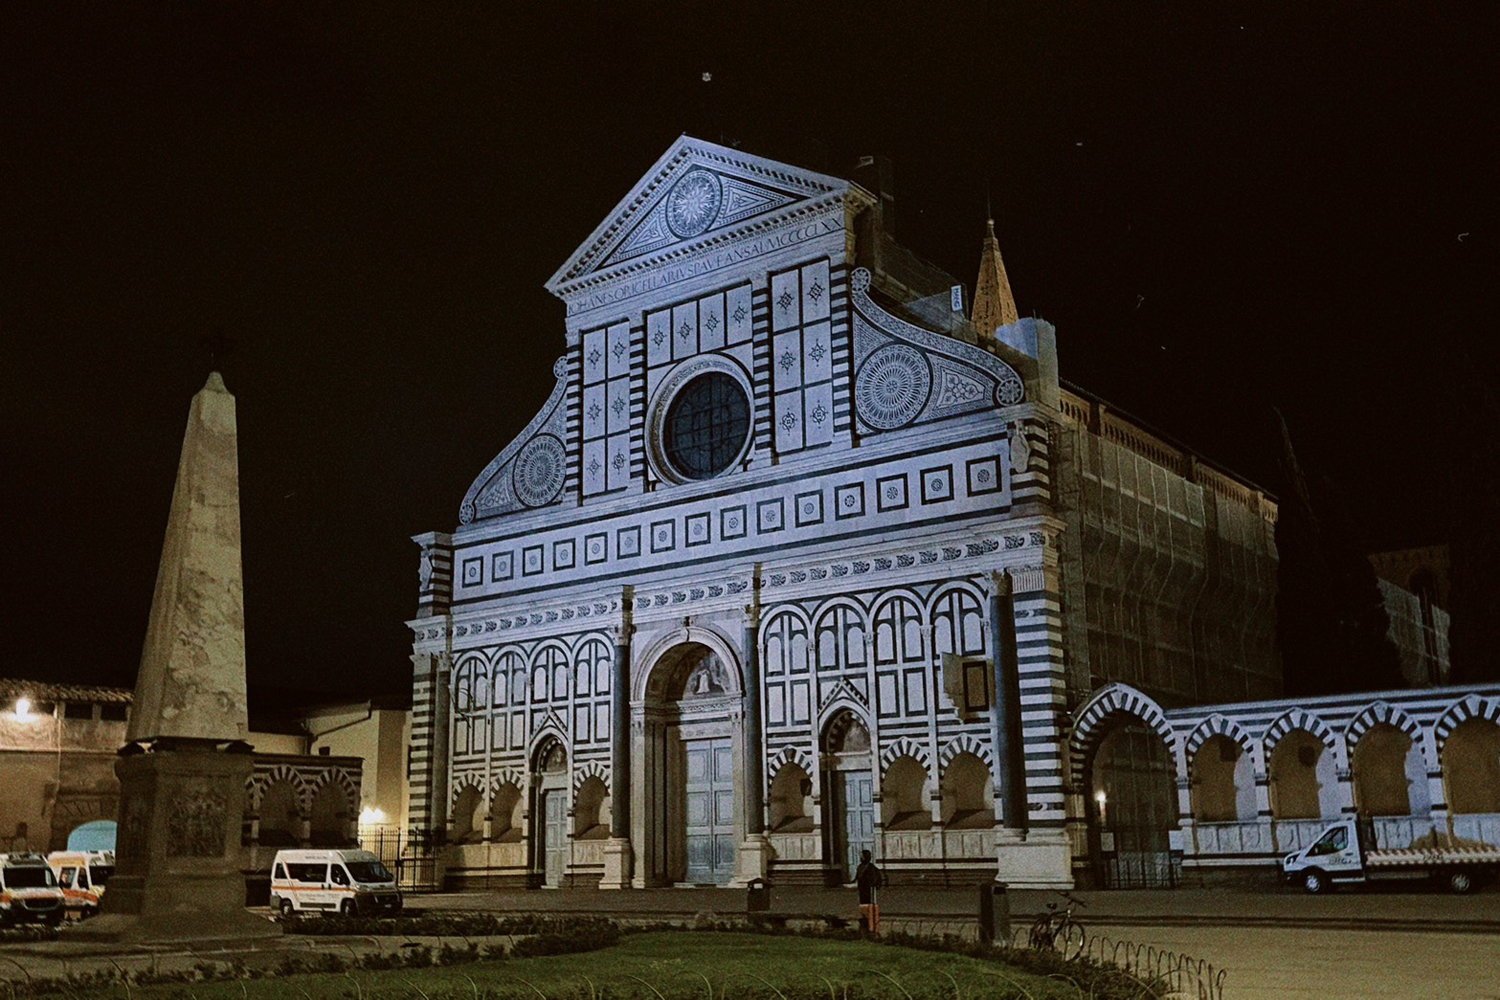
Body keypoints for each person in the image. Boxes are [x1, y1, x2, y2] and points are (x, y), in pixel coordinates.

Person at [855, 849, 883, 933]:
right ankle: (864, 918)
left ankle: (870, 922)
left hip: (869, 891)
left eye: (862, 856)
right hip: (862, 890)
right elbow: (857, 878)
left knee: (869, 906)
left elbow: (876, 880)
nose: (861, 858)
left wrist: (874, 885)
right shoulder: (860, 867)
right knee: (863, 905)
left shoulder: (872, 869)